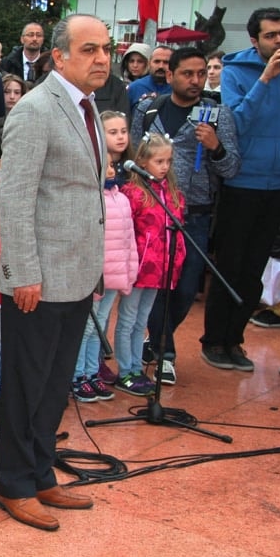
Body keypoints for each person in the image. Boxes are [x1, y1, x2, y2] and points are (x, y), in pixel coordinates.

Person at [0, 14, 107, 531]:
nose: (101, 59)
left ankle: (41, 473)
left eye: (105, 49)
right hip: (36, 279)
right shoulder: (36, 109)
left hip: (76, 273)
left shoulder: (88, 106)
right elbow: (15, 199)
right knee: (25, 386)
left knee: (55, 384)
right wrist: (23, 272)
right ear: (59, 56)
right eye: (89, 50)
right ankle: (14, 485)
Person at [201, 7, 280, 371]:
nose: (279, 40)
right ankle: (213, 340)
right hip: (241, 181)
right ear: (254, 40)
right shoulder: (235, 71)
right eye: (271, 35)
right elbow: (236, 123)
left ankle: (235, 340)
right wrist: (264, 79)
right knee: (230, 264)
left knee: (253, 268)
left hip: (278, 183)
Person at [132, 47, 239, 384]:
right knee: (156, 285)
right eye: (187, 74)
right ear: (170, 75)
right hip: (153, 212)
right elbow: (132, 159)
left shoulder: (218, 115)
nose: (195, 80)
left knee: (186, 287)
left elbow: (232, 168)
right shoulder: (148, 109)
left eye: (201, 74)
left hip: (194, 214)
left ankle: (157, 338)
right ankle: (165, 352)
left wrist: (215, 147)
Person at [71, 119, 137, 403]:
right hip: (94, 277)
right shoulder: (90, 198)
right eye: (105, 166)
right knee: (87, 328)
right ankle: (77, 375)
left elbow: (128, 241)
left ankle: (91, 372)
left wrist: (129, 272)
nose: (111, 170)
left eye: (112, 166)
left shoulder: (121, 198)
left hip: (114, 277)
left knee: (100, 328)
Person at [116, 134, 186, 395]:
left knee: (142, 319)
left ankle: (136, 367)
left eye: (168, 161)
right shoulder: (134, 194)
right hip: (138, 269)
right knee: (128, 319)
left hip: (160, 270)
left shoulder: (173, 194)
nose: (165, 166)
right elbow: (126, 234)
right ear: (143, 162)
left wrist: (175, 261)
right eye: (159, 161)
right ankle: (125, 370)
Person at [127, 45, 172, 112]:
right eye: (157, 61)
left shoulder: (179, 89)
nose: (161, 66)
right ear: (149, 63)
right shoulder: (134, 88)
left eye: (166, 62)